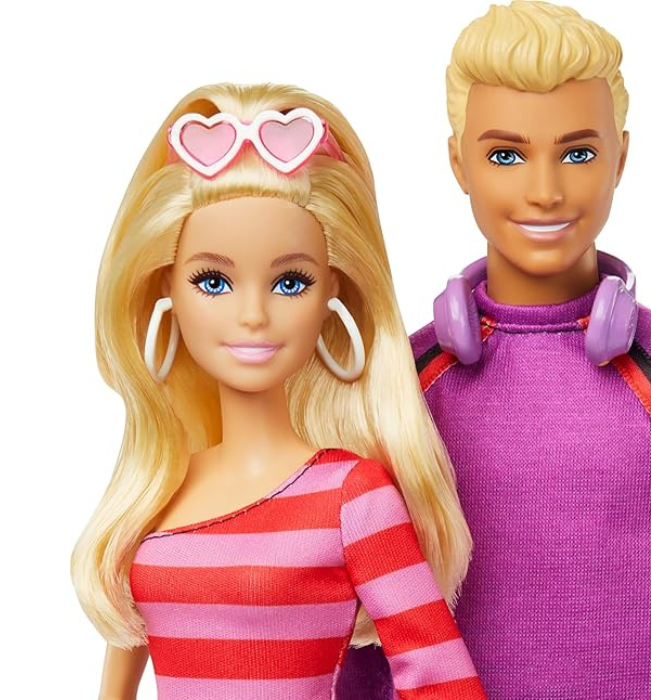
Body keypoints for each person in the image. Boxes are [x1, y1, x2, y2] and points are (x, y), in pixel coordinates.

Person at [337, 3, 651, 699]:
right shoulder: (400, 390)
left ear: (622, 157)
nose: (544, 191)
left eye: (578, 153)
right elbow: (350, 617)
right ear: (457, 163)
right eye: (505, 155)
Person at [71, 82, 487, 700]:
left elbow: (440, 677)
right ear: (166, 289)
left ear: (333, 294)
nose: (253, 316)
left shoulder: (353, 496)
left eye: (290, 282)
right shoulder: (154, 489)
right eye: (213, 281)